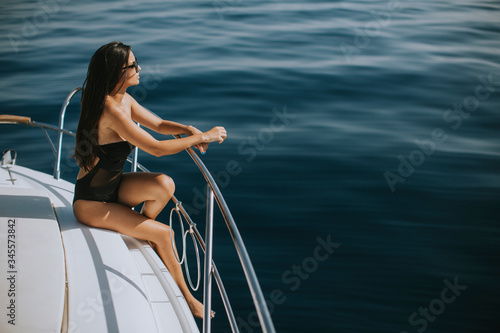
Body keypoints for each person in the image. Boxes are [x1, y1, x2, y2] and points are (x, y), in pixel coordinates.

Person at [72, 41, 226, 319]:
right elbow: (155, 148)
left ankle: (139, 226)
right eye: (132, 65)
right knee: (164, 233)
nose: (139, 68)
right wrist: (204, 137)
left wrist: (187, 128)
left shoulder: (122, 99)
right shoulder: (110, 109)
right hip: (91, 202)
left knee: (164, 184)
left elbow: (158, 124)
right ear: (116, 72)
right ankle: (189, 299)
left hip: (113, 188)